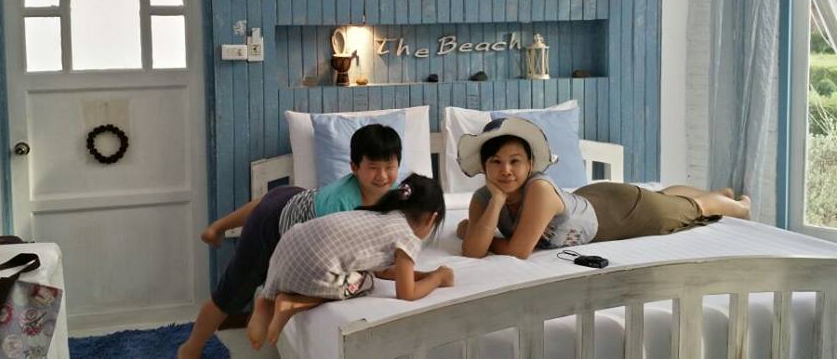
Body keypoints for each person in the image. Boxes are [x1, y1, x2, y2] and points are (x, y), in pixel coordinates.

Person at [178, 124, 404, 359]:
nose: (383, 176)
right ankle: (190, 348)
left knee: (268, 203)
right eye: (373, 168)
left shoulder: (396, 193)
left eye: (390, 167)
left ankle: (217, 227)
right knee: (231, 293)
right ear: (354, 168)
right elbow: (311, 258)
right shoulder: (341, 207)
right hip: (275, 229)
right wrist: (269, 295)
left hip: (293, 197)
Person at [454, 117, 752, 259]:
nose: (505, 170)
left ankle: (738, 206)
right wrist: (496, 201)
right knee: (662, 197)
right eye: (496, 162)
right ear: (484, 167)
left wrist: (480, 233)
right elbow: (471, 252)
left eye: (515, 161)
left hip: (618, 214)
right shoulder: (484, 197)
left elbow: (518, 251)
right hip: (589, 199)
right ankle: (720, 194)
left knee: (693, 209)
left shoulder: (539, 190)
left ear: (530, 164)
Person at [246, 174, 454, 349]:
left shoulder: (379, 214)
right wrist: (438, 278)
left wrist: (425, 275)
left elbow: (386, 271)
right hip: (311, 266)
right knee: (366, 282)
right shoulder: (407, 236)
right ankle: (292, 303)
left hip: (287, 246)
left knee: (364, 272)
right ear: (431, 219)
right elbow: (406, 293)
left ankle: (266, 300)